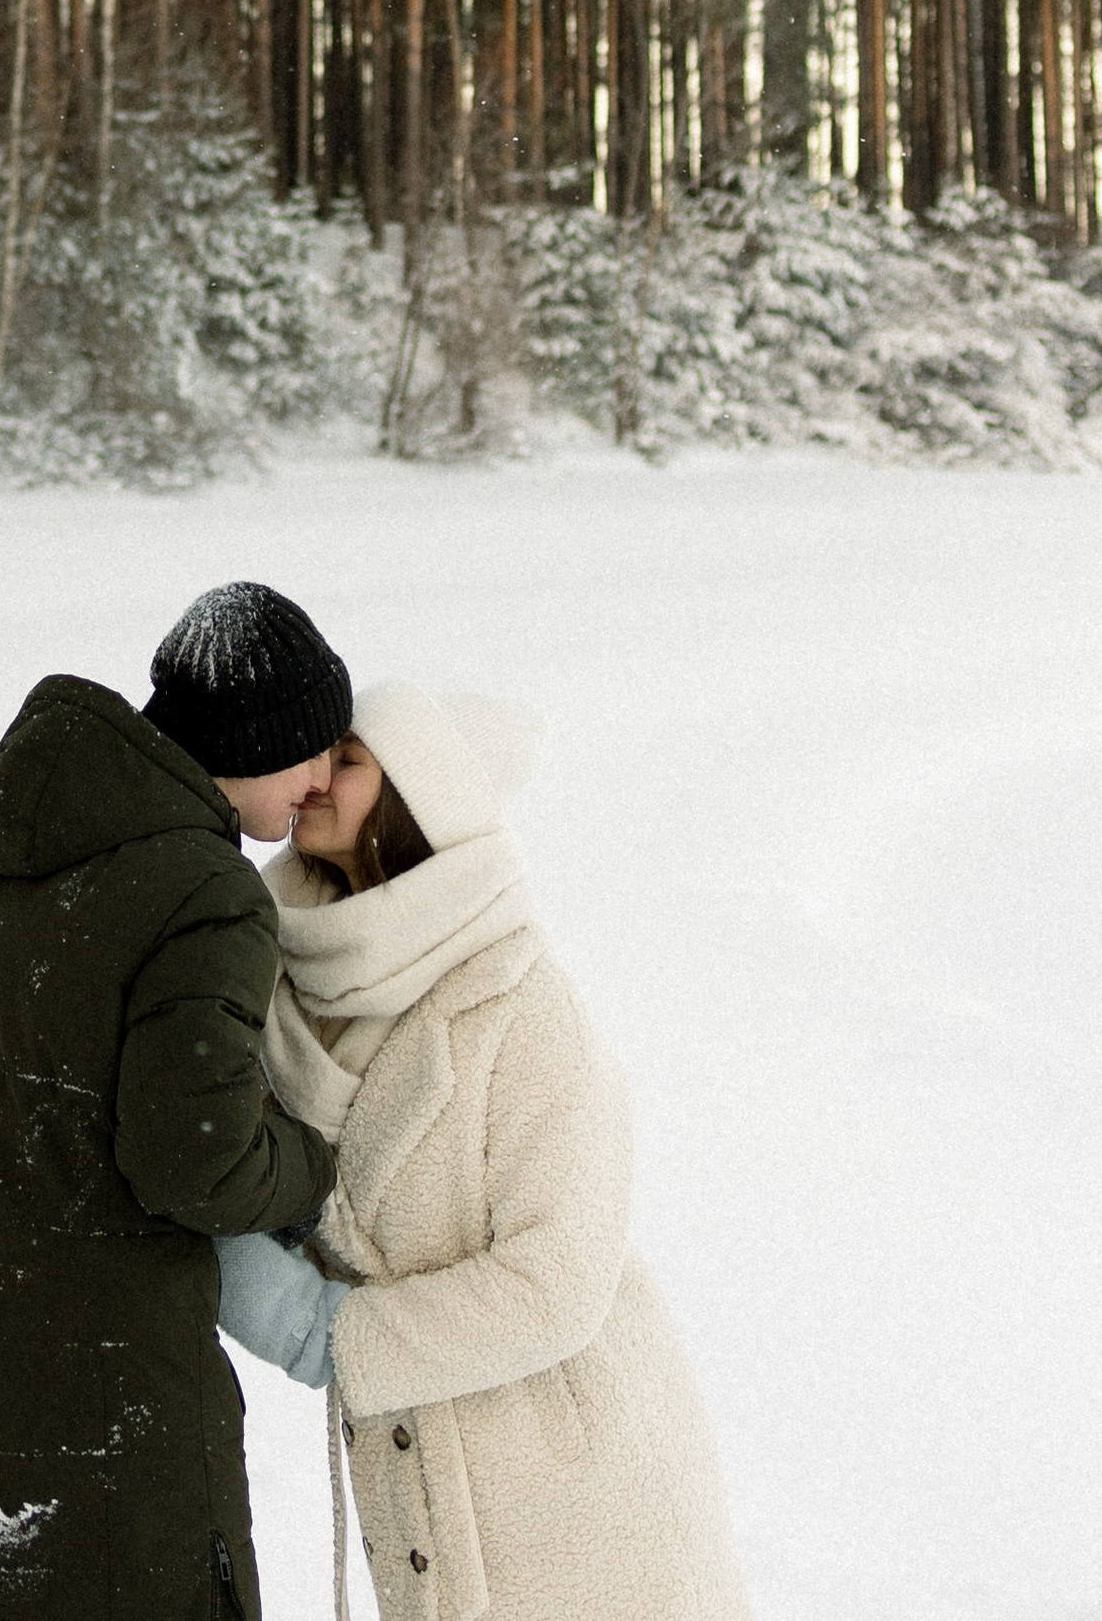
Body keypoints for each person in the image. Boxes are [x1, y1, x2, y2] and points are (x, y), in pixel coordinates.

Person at [0, 582, 352, 1621]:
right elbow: (195, 1158)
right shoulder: (205, 892)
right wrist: (316, 1163)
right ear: (254, 739)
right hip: (113, 1430)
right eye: (313, 750)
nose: (321, 784)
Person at [216, 682, 751, 1621]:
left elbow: (559, 1278)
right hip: (421, 1477)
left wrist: (324, 1334)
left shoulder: (519, 1006)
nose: (310, 777)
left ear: (415, 801)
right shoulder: (287, 992)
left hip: (575, 1496)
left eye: (346, 761)